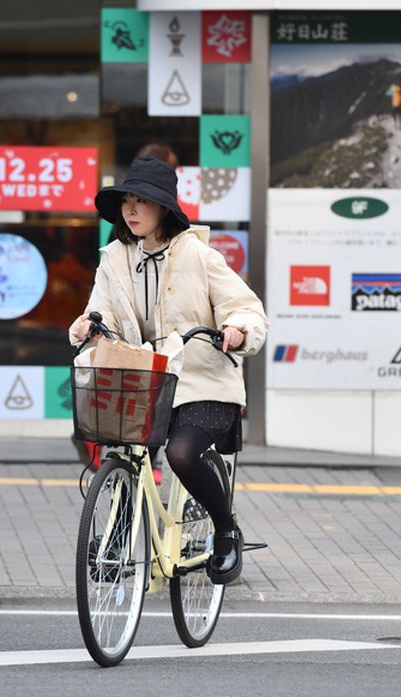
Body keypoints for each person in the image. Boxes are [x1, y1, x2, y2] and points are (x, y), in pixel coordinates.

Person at [68, 157, 268, 584]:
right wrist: (87, 325)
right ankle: (118, 539)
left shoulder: (199, 255)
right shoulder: (115, 258)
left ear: (164, 208)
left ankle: (225, 530)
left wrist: (236, 330)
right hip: (144, 381)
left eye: (142, 201)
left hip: (202, 381)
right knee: (125, 453)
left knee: (181, 453)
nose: (131, 209)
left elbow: (247, 309)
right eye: (126, 200)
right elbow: (99, 311)